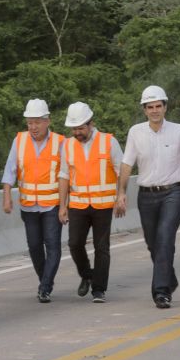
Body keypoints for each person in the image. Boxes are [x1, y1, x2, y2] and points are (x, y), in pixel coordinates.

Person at [115, 85, 180, 309]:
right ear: (144, 110)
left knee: (164, 239)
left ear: (165, 107)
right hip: (146, 196)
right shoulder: (136, 132)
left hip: (173, 193)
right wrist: (121, 192)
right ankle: (169, 278)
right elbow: (126, 164)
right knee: (153, 244)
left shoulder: (179, 131)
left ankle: (161, 292)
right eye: (150, 107)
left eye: (158, 106)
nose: (154, 110)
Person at [58, 102, 123, 303]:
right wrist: (62, 205)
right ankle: (87, 275)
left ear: (90, 124)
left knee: (101, 247)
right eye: (74, 129)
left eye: (80, 128)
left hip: (103, 204)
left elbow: (122, 171)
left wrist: (121, 196)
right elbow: (64, 175)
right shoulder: (67, 145)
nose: (77, 132)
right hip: (78, 204)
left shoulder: (109, 142)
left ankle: (99, 289)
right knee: (74, 243)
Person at [2, 98, 65, 304]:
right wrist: (6, 197)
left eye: (37, 122)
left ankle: (45, 288)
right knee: (35, 247)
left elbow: (66, 175)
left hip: (52, 205)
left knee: (53, 246)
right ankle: (45, 281)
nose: (33, 127)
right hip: (28, 205)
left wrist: (65, 205)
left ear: (47, 121)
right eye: (29, 122)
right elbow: (10, 170)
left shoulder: (60, 142)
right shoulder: (19, 140)